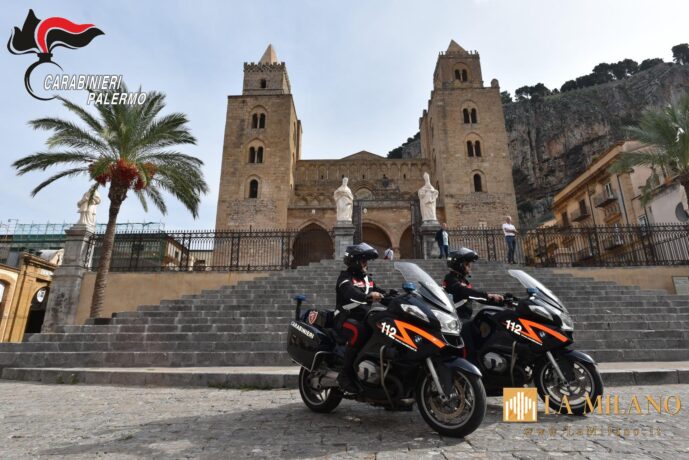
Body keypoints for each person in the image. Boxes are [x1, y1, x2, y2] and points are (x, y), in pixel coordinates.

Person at [335, 243, 386, 393]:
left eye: (366, 261)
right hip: (344, 319)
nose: (366, 264)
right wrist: (367, 297)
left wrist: (397, 297)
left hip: (363, 318)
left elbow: (381, 292)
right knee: (358, 331)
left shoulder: (367, 280)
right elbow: (351, 293)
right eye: (363, 261)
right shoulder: (345, 278)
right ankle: (344, 375)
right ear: (355, 261)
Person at [443, 248, 504, 361]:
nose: (470, 267)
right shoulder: (450, 279)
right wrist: (488, 296)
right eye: (467, 264)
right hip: (457, 319)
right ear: (459, 265)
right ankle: (469, 363)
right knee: (469, 341)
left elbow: (477, 297)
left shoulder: (463, 280)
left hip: (465, 317)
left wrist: (500, 301)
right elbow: (466, 292)